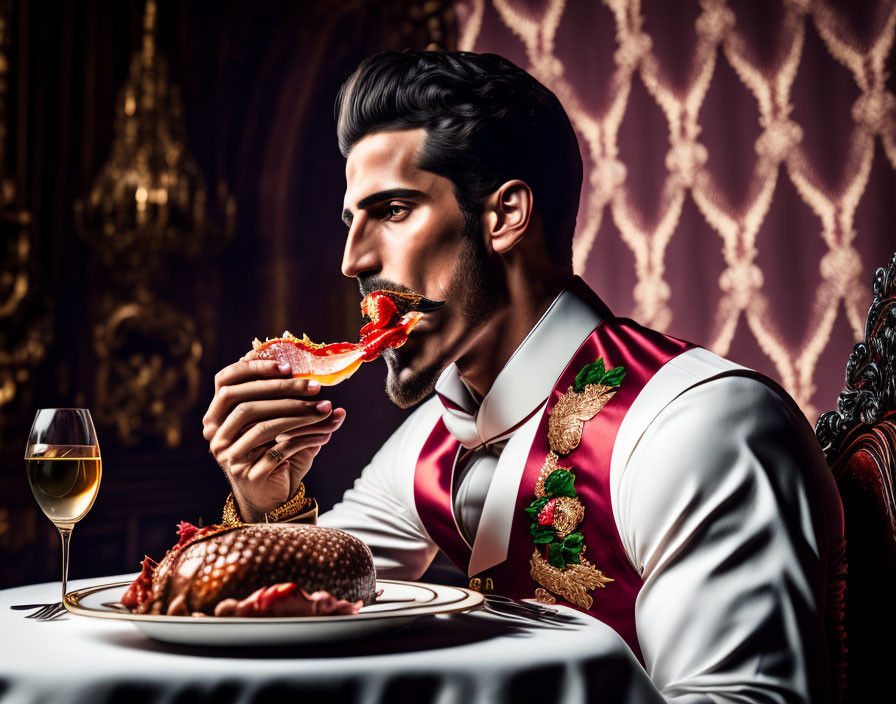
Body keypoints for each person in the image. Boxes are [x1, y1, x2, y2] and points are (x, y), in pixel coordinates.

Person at [202, 50, 845, 702]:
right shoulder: (431, 440)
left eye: (393, 210)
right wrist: (268, 498)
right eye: (352, 221)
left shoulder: (696, 424)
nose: (352, 261)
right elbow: (316, 608)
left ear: (505, 215)